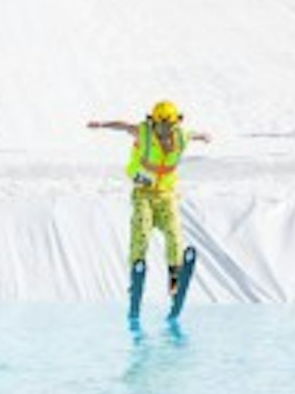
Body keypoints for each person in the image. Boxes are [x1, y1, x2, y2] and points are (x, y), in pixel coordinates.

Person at [88, 102, 211, 295]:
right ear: (153, 123)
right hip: (143, 193)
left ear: (174, 125)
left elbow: (192, 134)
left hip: (166, 195)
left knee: (174, 233)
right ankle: (136, 275)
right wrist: (102, 124)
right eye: (159, 126)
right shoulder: (143, 133)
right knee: (141, 231)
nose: (163, 131)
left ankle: (175, 278)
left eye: (167, 127)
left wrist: (203, 136)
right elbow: (124, 126)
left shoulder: (180, 136)